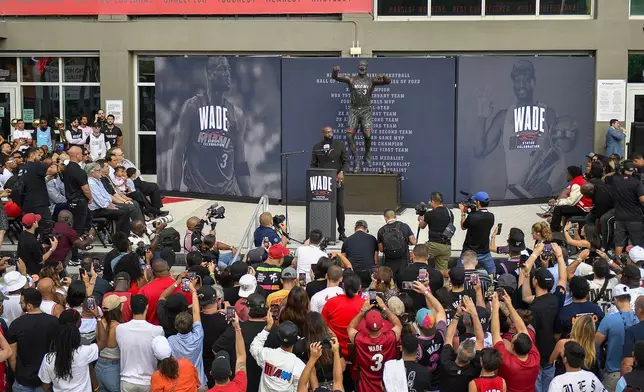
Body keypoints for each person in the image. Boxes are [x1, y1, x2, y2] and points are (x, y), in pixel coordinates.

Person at [520, 242, 567, 392]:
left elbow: (525, 296)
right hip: (551, 355)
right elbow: (563, 279)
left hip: (536, 356)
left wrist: (533, 256)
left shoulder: (533, 308)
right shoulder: (556, 299)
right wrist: (559, 256)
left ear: (535, 282)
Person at [38, 308, 106, 392]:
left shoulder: (48, 359)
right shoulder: (83, 352)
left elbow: (46, 386)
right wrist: (98, 317)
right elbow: (103, 342)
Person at [213, 293, 267, 391]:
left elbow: (216, 350)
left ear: (249, 309)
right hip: (266, 385)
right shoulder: (275, 331)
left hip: (241, 383)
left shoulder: (234, 330)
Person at [8, 288, 59, 392]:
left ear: (29, 306)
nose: (20, 305)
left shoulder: (16, 324)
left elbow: (12, 356)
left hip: (23, 379)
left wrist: (18, 374)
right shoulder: (54, 322)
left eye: (21, 302)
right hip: (47, 379)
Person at [491, 291, 540, 392]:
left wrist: (495, 309)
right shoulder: (535, 358)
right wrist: (509, 304)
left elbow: (495, 333)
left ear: (512, 346)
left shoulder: (507, 362)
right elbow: (522, 328)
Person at [116, 295, 164, 391]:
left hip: (127, 381)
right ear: (147, 307)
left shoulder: (120, 329)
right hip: (148, 381)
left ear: (130, 307)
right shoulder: (157, 331)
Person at [596, 284, 638, 392]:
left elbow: (595, 344)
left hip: (614, 374)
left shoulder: (609, 320)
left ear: (614, 299)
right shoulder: (639, 319)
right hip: (636, 374)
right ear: (629, 298)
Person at [310, 125, 348, 240]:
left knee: (339, 206)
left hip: (337, 180)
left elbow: (345, 161)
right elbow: (313, 164)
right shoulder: (317, 147)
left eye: (331, 132)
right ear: (323, 133)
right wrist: (315, 175)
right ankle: (322, 232)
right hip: (323, 181)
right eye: (327, 132)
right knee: (323, 206)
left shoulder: (339, 145)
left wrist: (342, 172)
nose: (329, 134)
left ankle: (341, 232)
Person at [441, 295, 484, 392]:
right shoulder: (475, 368)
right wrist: (474, 313)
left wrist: (457, 315)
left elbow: (448, 338)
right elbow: (480, 340)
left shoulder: (446, 364)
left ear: (458, 351)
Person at [167, 279, 206, 387]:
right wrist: (193, 291)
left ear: (175, 326)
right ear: (192, 325)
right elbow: (196, 312)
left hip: (180, 384)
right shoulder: (197, 336)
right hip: (199, 382)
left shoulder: (171, 340)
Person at [250, 317, 305, 392]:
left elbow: (254, 347)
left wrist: (268, 327)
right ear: (295, 341)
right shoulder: (299, 365)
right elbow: (298, 389)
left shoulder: (267, 355)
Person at [321, 272, 365, 359]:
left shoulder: (331, 302)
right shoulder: (365, 304)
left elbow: (322, 325)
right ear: (359, 287)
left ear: (343, 286)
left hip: (336, 351)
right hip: (358, 352)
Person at [86, 162, 130, 234]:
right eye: (98, 170)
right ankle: (118, 236)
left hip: (103, 207)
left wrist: (111, 204)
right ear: (92, 172)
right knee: (122, 212)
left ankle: (125, 235)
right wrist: (110, 206)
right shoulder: (91, 183)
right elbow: (99, 201)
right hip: (95, 211)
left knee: (126, 208)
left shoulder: (98, 180)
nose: (101, 172)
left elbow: (106, 195)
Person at [138, 259, 185, 325]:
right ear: (168, 268)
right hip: (177, 330)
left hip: (151, 331)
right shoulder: (181, 287)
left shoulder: (144, 290)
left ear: (152, 271)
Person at [209, 309, 247, 392]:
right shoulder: (239, 386)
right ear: (230, 373)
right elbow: (241, 356)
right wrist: (237, 327)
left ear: (211, 373)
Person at [95, 295, 126, 392]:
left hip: (98, 366)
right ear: (118, 309)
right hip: (114, 369)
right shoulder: (120, 328)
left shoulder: (99, 324)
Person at [459, 191, 496, 274]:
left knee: (459, 273)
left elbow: (463, 226)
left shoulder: (472, 217)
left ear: (478, 202)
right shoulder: (491, 216)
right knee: (493, 273)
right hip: (484, 252)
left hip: (469, 252)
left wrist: (463, 212)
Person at [549, 166, 593, 232]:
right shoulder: (579, 180)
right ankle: (560, 228)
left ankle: (554, 230)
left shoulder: (577, 183)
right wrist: (558, 201)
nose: (567, 176)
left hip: (584, 209)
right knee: (562, 208)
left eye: (568, 174)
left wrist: (557, 203)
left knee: (558, 209)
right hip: (581, 206)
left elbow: (571, 202)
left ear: (572, 175)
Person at [419, 191, 454, 272]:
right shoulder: (450, 213)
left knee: (419, 255)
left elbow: (422, 226)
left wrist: (421, 218)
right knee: (442, 272)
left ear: (433, 201)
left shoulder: (430, 213)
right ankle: (442, 283)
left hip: (433, 246)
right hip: (446, 246)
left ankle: (423, 276)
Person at [17, 147, 52, 224]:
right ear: (32, 155)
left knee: (30, 228)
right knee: (47, 226)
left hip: (26, 204)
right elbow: (52, 171)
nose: (40, 157)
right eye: (38, 155)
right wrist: (55, 163)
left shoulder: (21, 168)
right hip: (39, 204)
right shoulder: (37, 165)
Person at [377, 208, 416, 277]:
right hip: (403, 260)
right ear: (395, 216)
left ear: (385, 217)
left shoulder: (381, 231)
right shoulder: (404, 226)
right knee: (403, 279)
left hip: (389, 261)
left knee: (391, 280)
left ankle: (392, 287)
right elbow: (413, 241)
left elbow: (381, 249)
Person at [63, 146, 92, 236]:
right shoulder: (79, 171)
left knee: (79, 222)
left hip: (70, 200)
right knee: (78, 227)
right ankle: (76, 246)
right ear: (78, 155)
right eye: (82, 154)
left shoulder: (66, 169)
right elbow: (85, 189)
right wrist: (90, 198)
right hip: (79, 201)